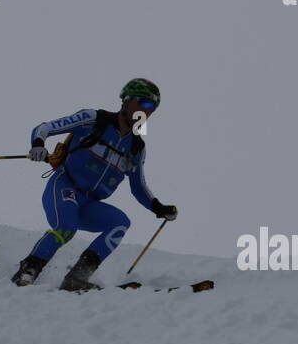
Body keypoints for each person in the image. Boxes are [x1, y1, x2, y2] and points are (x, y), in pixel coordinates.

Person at [11, 78, 178, 291]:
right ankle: (28, 269)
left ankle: (77, 277)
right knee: (66, 227)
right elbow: (44, 127)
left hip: (90, 203)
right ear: (126, 101)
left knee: (120, 223)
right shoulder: (94, 119)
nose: (147, 111)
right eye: (143, 103)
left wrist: (158, 207)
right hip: (65, 186)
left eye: (152, 108)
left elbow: (138, 187)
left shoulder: (136, 147)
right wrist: (38, 145)